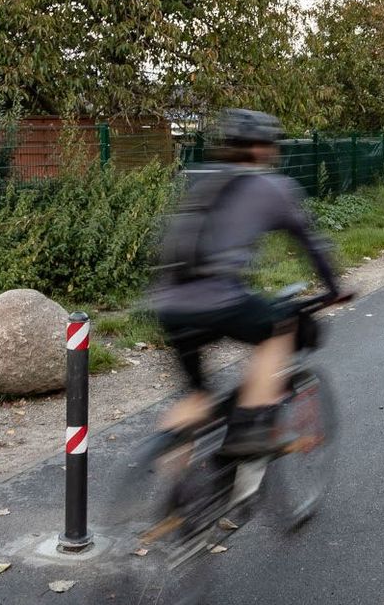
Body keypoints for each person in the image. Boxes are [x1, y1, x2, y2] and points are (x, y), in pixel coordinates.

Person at [149, 109, 352, 458]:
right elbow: (312, 243)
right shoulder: (273, 187)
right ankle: (246, 426)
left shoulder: (199, 177)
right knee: (281, 326)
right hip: (218, 300)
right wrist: (334, 288)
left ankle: (171, 504)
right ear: (262, 148)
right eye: (272, 145)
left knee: (198, 401)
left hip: (167, 304)